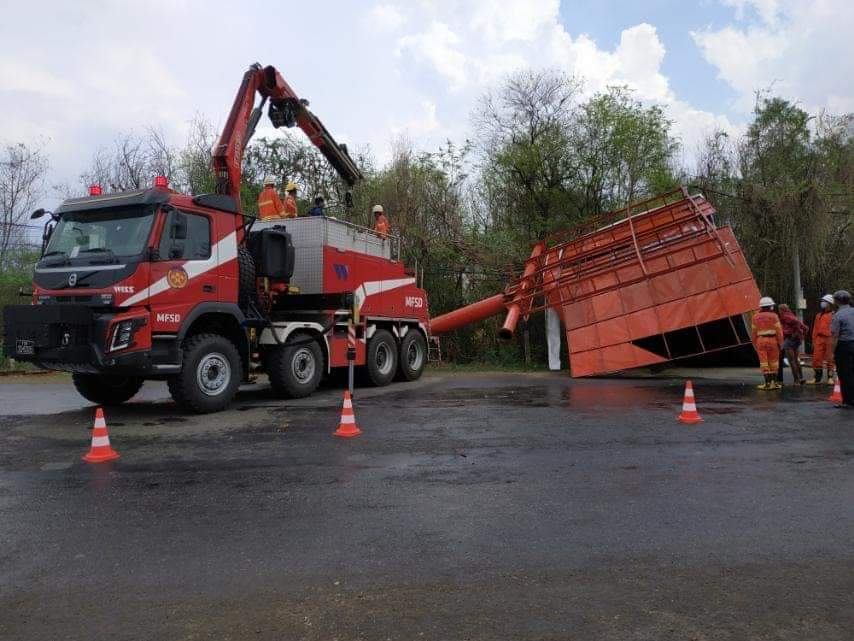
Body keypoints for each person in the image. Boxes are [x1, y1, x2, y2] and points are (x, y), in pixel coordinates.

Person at [751, 296, 783, 390]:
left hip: (760, 340)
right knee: (774, 362)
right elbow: (779, 331)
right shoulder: (774, 316)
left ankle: (767, 383)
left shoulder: (755, 317)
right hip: (772, 340)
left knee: (764, 362)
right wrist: (781, 344)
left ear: (761, 307)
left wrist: (754, 343)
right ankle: (774, 383)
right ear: (770, 306)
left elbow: (753, 332)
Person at [829, 290, 854, 409]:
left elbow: (835, 336)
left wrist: (831, 352)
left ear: (837, 301)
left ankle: (848, 401)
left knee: (845, 374)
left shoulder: (838, 315)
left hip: (844, 346)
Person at [777, 303, 809, 385]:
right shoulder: (792, 315)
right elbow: (805, 327)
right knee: (796, 359)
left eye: (779, 310)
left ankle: (796, 380)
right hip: (796, 339)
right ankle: (801, 378)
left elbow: (796, 324)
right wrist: (802, 336)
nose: (779, 311)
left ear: (782, 310)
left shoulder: (785, 316)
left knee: (791, 361)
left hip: (790, 339)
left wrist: (795, 333)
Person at [808, 294, 836, 385]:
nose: (822, 303)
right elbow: (815, 329)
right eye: (822, 301)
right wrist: (813, 340)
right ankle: (817, 378)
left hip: (829, 338)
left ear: (829, 303)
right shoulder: (818, 315)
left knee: (830, 358)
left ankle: (830, 377)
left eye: (824, 302)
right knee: (816, 358)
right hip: (819, 338)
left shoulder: (834, 315)